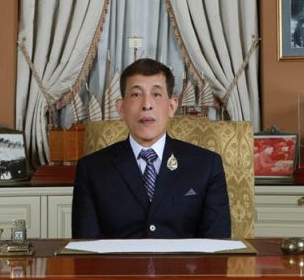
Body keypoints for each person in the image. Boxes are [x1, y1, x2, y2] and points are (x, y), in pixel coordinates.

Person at [72, 58, 231, 239]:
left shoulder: (206, 166)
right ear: (121, 108)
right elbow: (86, 248)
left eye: (156, 94)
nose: (147, 104)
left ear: (172, 106)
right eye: (136, 94)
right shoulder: (91, 170)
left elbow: (217, 245)